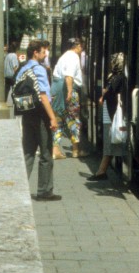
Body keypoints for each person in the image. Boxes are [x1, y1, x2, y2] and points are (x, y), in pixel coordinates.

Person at [17, 39, 62, 202]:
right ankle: (44, 191)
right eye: (44, 52)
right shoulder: (39, 70)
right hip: (41, 116)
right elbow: (43, 96)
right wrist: (52, 118)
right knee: (45, 153)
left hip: (27, 114)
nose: (46, 54)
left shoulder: (23, 68)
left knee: (28, 153)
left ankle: (18, 188)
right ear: (36, 53)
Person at [90, 52, 127, 181]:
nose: (111, 63)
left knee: (111, 143)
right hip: (110, 114)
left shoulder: (118, 78)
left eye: (113, 61)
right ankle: (101, 171)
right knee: (111, 143)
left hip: (112, 115)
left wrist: (105, 93)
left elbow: (108, 94)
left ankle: (101, 171)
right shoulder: (115, 76)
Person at [50, 38, 85, 159]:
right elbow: (69, 76)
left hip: (57, 90)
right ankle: (75, 150)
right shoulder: (73, 57)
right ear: (78, 46)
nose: (82, 49)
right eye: (82, 46)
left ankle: (55, 150)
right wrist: (70, 92)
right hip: (69, 91)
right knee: (74, 119)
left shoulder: (64, 56)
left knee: (58, 119)